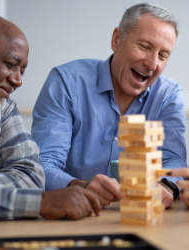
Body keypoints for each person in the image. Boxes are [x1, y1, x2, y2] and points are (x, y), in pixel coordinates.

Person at [0, 13, 101, 220]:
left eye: (22, 71)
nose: (18, 81)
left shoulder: (2, 107)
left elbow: (32, 174)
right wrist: (36, 203)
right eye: (10, 64)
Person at [32, 3, 187, 209]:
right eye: (144, 46)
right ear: (116, 39)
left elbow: (174, 159)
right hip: (72, 214)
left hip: (140, 217)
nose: (152, 64)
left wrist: (167, 187)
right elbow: (44, 164)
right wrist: (81, 186)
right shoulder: (67, 82)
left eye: (162, 55)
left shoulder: (169, 96)